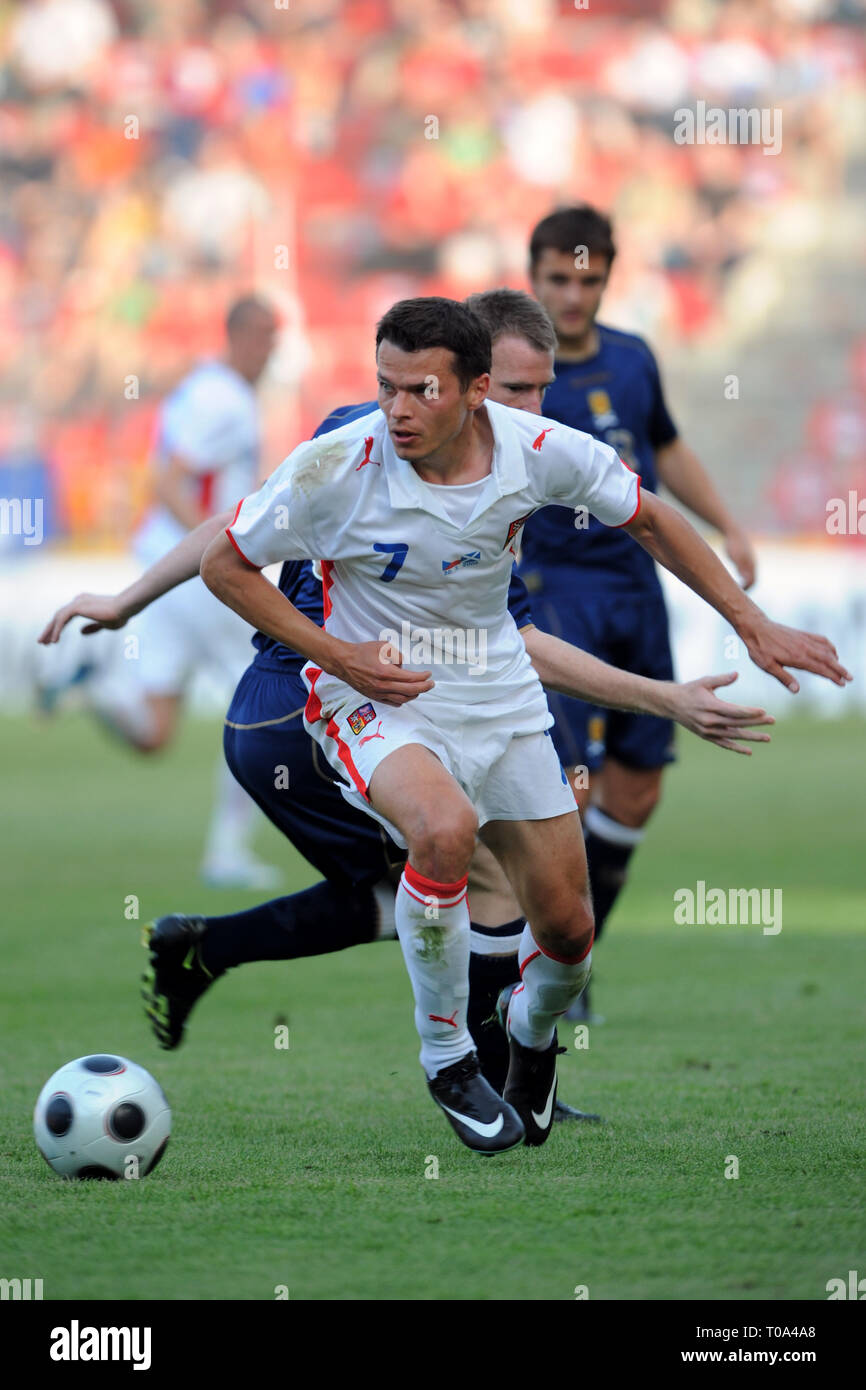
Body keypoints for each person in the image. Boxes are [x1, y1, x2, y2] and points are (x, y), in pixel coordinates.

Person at [38, 292, 776, 1127]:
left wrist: (669, 694)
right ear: (469, 378)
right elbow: (234, 532)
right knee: (456, 867)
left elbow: (509, 637)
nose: (531, 411)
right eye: (518, 391)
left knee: (459, 896)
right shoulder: (365, 438)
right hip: (302, 689)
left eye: (540, 392)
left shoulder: (518, 467)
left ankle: (209, 950)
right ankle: (472, 1070)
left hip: (420, 684)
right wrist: (130, 600)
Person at [198, 296, 849, 1153]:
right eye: (386, 386)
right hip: (371, 697)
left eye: (419, 390)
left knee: (569, 934)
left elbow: (650, 517)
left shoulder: (536, 453)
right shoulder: (337, 464)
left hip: (498, 696)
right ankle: (449, 1060)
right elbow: (224, 562)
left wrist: (751, 622)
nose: (396, 409)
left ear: (475, 392)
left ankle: (532, 1037)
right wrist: (340, 655)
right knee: (443, 831)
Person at [524, 206, 759, 1020]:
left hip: (638, 587)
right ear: (534, 276)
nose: (575, 294)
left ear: (607, 279)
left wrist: (727, 524)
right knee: (569, 794)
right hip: (555, 593)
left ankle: (574, 957)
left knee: (636, 795)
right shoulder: (513, 374)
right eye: (559, 279)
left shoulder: (632, 359)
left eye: (589, 279)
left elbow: (666, 449)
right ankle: (542, 969)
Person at [42, 295, 281, 890]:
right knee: (262, 702)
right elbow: (171, 481)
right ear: (247, 335)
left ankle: (96, 685)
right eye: (270, 337)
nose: (274, 350)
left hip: (160, 565)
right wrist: (214, 547)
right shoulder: (224, 398)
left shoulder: (199, 386)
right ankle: (227, 852)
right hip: (198, 573)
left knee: (153, 733)